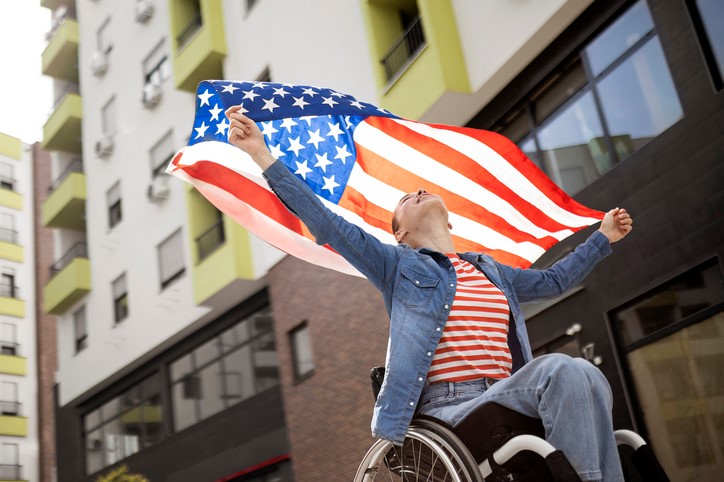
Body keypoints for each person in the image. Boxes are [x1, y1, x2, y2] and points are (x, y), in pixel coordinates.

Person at [225, 106, 633, 482]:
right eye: (405, 199)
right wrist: (261, 155)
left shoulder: (488, 269)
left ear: (450, 220)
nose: (417, 190)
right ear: (399, 233)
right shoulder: (397, 265)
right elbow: (327, 223)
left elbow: (554, 282)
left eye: (420, 191)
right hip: (451, 410)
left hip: (509, 392)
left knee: (588, 373)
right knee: (562, 369)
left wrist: (602, 238)